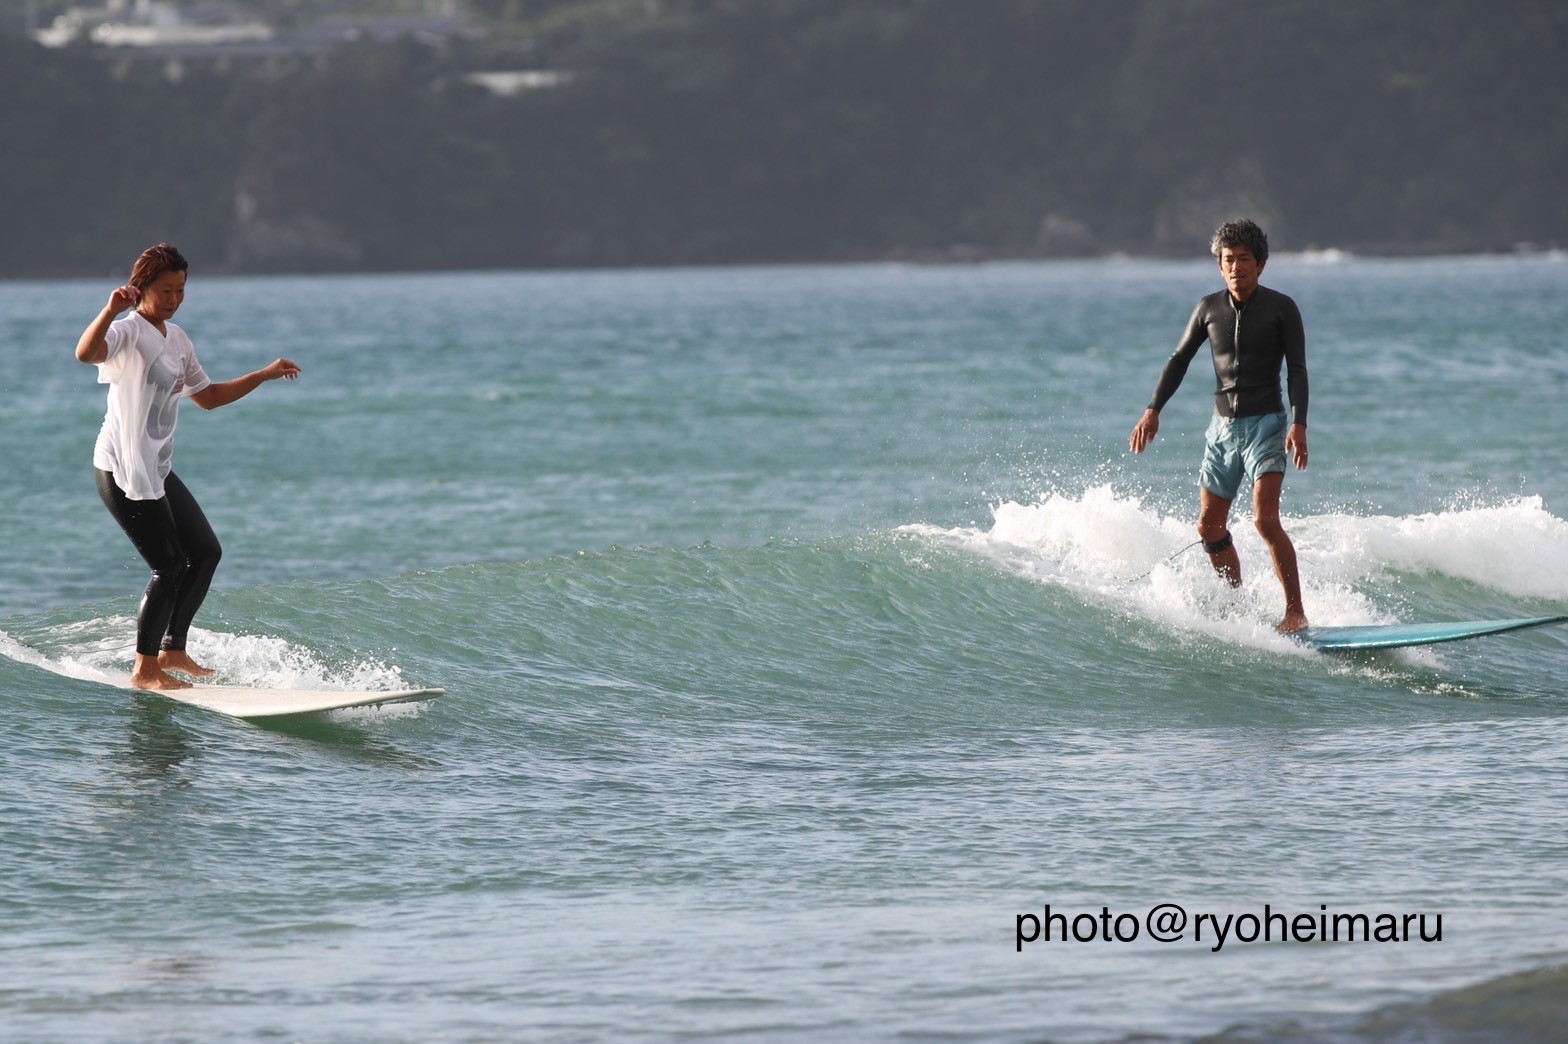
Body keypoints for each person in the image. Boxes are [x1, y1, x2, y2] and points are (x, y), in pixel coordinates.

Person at [75, 243, 301, 690]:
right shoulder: (128, 331)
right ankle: (144, 669)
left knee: (206, 552)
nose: (174, 299)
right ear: (140, 289)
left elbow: (208, 397)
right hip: (122, 468)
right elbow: (86, 353)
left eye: (180, 290)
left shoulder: (177, 338)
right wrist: (107, 310)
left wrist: (262, 374)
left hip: (155, 465)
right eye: (165, 290)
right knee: (169, 566)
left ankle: (173, 650)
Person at [1128, 219, 1310, 633]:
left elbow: (1297, 370)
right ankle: (1237, 605)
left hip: (1266, 425)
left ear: (1261, 264)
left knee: (1265, 520)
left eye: (1244, 259)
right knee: (1209, 526)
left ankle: (1295, 613)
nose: (1235, 267)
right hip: (1222, 430)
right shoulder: (1208, 308)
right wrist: (1153, 409)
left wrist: (1298, 424)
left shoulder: (1283, 309)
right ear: (1219, 266)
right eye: (1228, 260)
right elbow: (1179, 360)